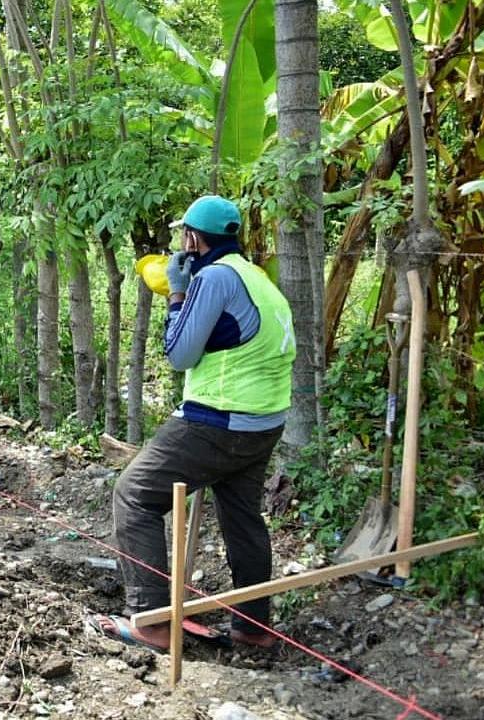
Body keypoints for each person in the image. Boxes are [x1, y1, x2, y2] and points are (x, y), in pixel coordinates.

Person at [89, 195, 296, 652]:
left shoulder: (214, 277)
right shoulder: (255, 276)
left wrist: (177, 295)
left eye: (184, 236)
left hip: (218, 419)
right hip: (264, 422)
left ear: (193, 239)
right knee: (242, 517)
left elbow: (180, 354)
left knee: (134, 495)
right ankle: (253, 627)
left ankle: (151, 622)